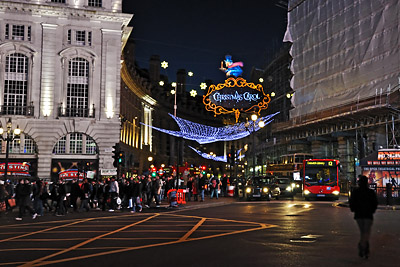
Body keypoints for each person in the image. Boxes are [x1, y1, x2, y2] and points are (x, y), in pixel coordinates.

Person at [349, 175, 378, 259]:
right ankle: (363, 246)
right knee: (366, 232)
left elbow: (352, 202)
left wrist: (353, 209)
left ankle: (364, 247)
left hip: (358, 215)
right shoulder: (370, 192)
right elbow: (375, 203)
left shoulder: (355, 192)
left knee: (363, 232)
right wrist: (372, 210)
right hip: (368, 215)